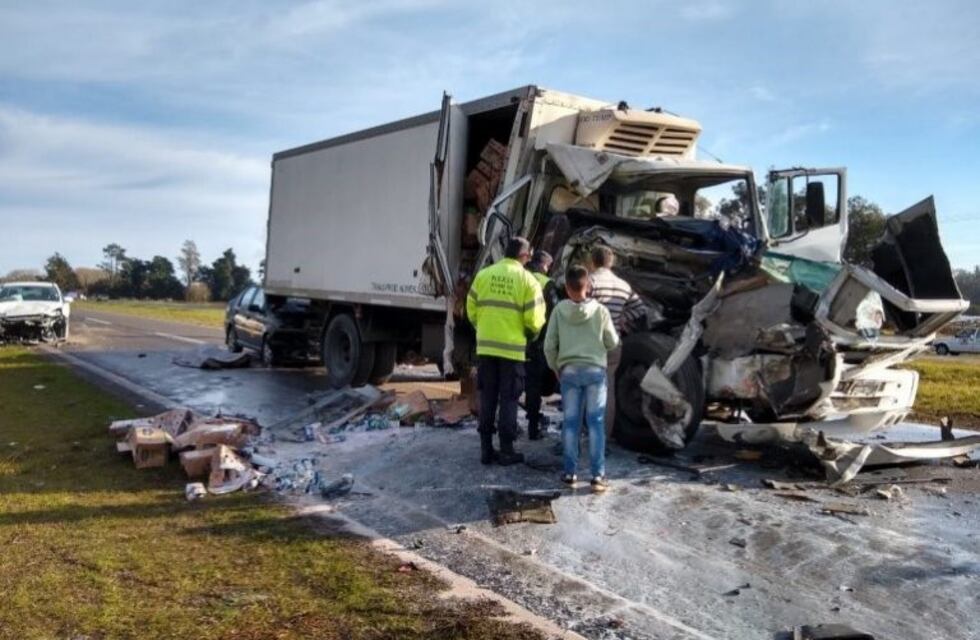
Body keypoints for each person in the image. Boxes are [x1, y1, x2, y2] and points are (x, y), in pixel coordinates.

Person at [466, 237, 546, 465]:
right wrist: (530, 336)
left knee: (488, 396)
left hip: (486, 347)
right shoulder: (528, 281)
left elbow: (470, 308)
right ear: (524, 256)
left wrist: (482, 328)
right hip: (512, 351)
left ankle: (485, 449)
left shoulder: (484, 275)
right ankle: (507, 450)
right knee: (509, 399)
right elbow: (535, 320)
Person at [544, 264, 620, 493]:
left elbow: (549, 346)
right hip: (595, 372)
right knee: (596, 423)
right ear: (587, 286)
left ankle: (570, 473)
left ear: (567, 287)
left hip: (569, 372)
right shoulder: (601, 311)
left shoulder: (558, 311)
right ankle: (597, 477)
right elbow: (612, 342)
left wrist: (556, 367)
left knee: (571, 423)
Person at [588, 245, 646, 437]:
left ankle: (579, 437)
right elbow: (640, 309)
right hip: (613, 344)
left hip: (591, 344)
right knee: (607, 391)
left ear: (592, 261)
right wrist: (622, 317)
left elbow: (580, 309)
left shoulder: (591, 281)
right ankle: (602, 438)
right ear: (611, 262)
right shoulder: (623, 285)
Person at [524, 250, 556, 440]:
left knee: (513, 385)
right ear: (545, 266)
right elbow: (553, 314)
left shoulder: (521, 279)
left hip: (516, 339)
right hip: (537, 342)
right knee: (534, 386)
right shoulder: (546, 283)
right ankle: (533, 427)